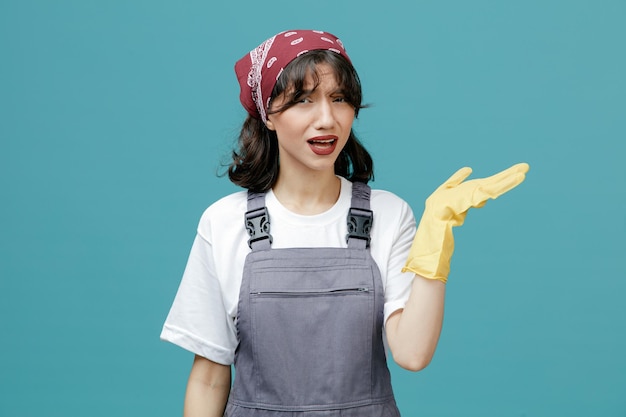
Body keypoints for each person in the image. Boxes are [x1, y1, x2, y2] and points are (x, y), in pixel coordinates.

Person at [161, 29, 529, 417]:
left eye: (339, 99)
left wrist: (436, 232)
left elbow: (413, 353)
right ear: (268, 115)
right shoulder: (224, 223)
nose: (327, 118)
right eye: (303, 100)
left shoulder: (389, 215)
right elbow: (208, 378)